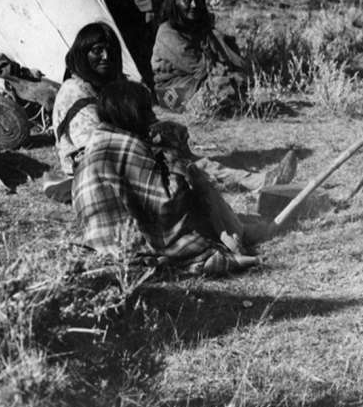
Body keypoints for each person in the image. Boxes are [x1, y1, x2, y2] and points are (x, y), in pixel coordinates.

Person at [71, 78, 260, 274]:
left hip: (103, 245)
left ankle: (237, 233)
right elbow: (167, 204)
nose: (152, 118)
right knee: (195, 177)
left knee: (194, 174)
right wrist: (175, 154)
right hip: (130, 247)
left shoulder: (99, 143)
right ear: (130, 113)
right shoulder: (124, 147)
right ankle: (233, 237)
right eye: (147, 111)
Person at [45, 22, 124, 201]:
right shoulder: (75, 92)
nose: (106, 57)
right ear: (83, 54)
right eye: (97, 50)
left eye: (110, 51)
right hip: (92, 165)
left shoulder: (100, 86)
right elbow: (96, 146)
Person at [151, 0, 248, 113]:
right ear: (175, 4)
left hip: (199, 82)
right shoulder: (167, 32)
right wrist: (226, 73)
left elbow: (228, 58)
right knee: (222, 85)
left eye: (197, 0)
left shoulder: (198, 29)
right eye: (187, 1)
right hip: (172, 92)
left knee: (235, 82)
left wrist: (216, 37)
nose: (194, 5)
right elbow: (198, 66)